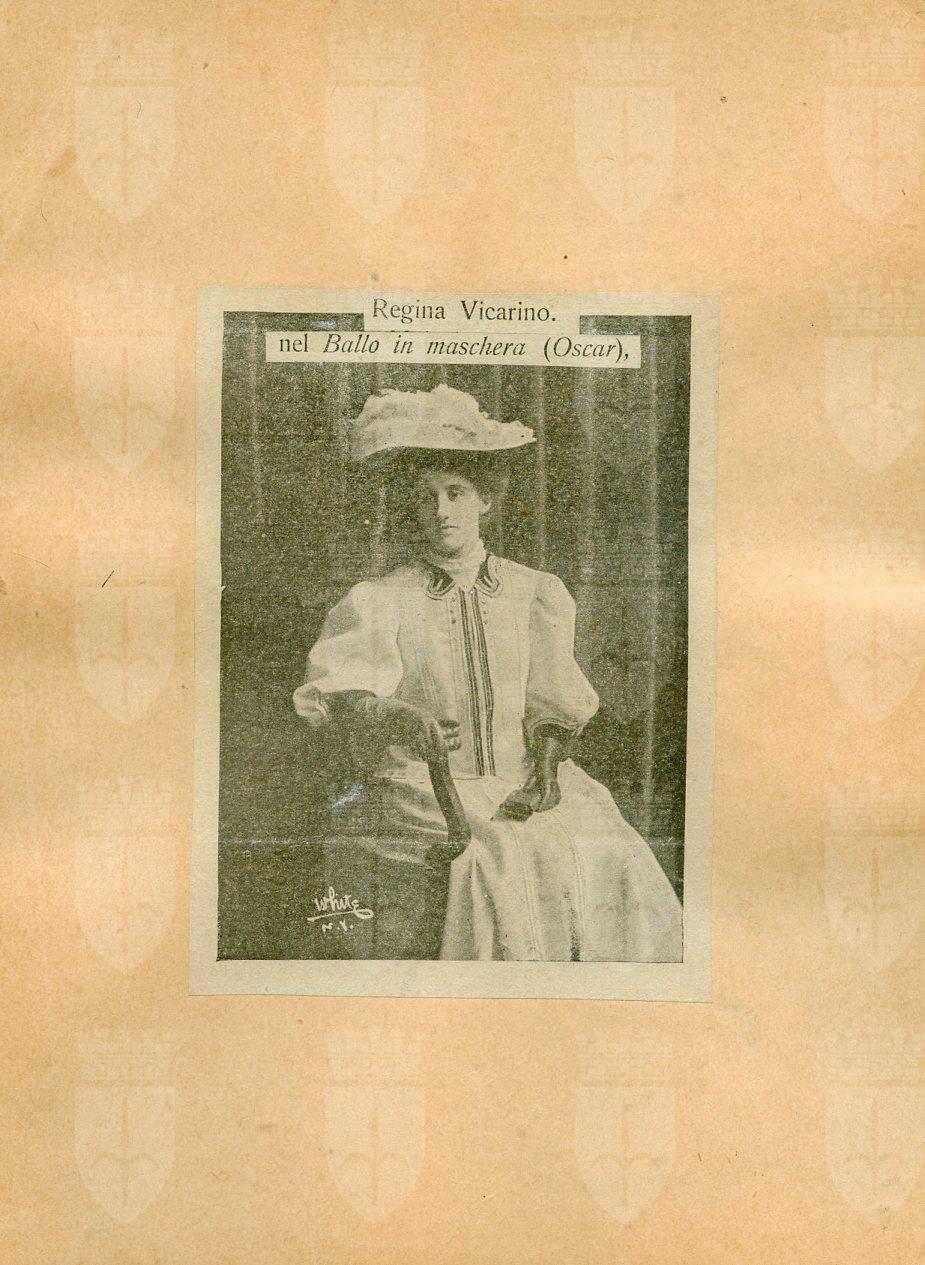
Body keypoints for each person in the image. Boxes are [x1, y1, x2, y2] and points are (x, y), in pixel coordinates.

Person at [293, 384, 682, 961]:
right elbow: (342, 694)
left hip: (523, 775)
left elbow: (553, 704)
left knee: (601, 842)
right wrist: (395, 714)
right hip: (422, 783)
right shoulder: (382, 598)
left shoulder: (533, 592)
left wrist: (545, 776)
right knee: (498, 851)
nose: (441, 510)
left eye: (456, 493)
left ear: (486, 500)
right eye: (426, 497)